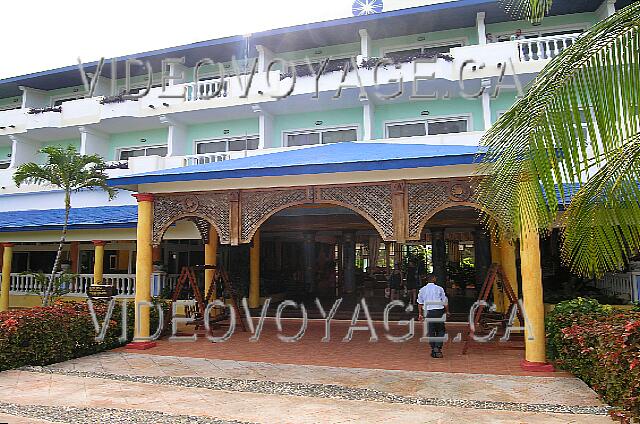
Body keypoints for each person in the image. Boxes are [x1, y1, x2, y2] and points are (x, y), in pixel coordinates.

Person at [417, 274, 449, 358]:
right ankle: (437, 347)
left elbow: (420, 303)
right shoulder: (439, 288)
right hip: (438, 311)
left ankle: (433, 348)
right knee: (441, 330)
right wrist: (447, 311)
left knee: (431, 331)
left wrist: (420, 314)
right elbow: (445, 301)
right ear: (434, 279)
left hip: (428, 312)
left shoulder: (422, 290)